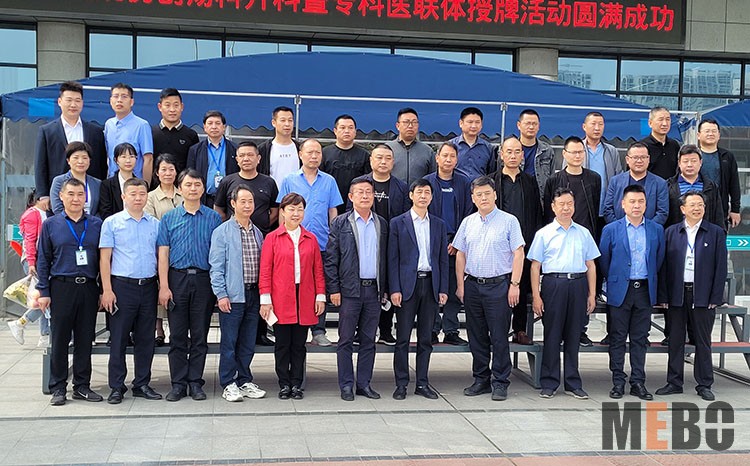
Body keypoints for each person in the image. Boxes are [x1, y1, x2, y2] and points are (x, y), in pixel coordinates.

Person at [454, 176, 525, 401]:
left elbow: (519, 253)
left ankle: (500, 382)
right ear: (473, 198)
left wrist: (514, 284)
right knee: (476, 336)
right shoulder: (468, 222)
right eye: (479, 194)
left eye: (487, 193)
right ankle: (481, 380)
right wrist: (460, 285)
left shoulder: (509, 221)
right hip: (473, 286)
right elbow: (460, 254)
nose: (483, 198)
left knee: (499, 336)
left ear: (495, 195)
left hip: (499, 286)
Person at [36, 178, 104, 406]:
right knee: (60, 339)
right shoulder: (51, 224)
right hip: (61, 286)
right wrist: (43, 291)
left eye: (80, 194)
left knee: (85, 338)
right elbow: (43, 259)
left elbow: (104, 259)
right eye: (71, 194)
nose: (76, 199)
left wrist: (103, 290)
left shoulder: (96, 224)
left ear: (86, 198)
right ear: (61, 197)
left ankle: (82, 386)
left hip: (88, 287)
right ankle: (58, 387)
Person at [157, 169, 222, 402]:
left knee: (199, 335)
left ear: (203, 188)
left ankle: (195, 382)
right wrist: (164, 286)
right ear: (180, 188)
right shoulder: (169, 218)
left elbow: (218, 254)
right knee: (177, 335)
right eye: (188, 184)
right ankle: (178, 384)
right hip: (177, 279)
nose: (193, 188)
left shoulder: (213, 218)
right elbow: (163, 255)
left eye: (197, 184)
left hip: (204, 280)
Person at [528, 188, 599, 400]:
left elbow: (591, 265)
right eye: (562, 204)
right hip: (554, 285)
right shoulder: (544, 234)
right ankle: (549, 382)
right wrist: (536, 296)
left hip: (578, 285)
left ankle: (573, 383)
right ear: (553, 207)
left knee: (574, 335)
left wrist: (592, 294)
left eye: (570, 203)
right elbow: (535, 267)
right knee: (552, 334)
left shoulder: (583, 233)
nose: (566, 208)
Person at [656, 191, 727, 401]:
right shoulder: (671, 232)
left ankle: (704, 384)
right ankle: (674, 382)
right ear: (682, 209)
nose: (697, 208)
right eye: (692, 205)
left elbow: (720, 267)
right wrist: (664, 295)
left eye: (700, 205)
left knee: (703, 341)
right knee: (675, 340)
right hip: (677, 293)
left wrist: (716, 297)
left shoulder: (715, 233)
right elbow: (663, 267)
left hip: (703, 295)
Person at [599, 184, 665, 401]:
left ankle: (638, 382)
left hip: (644, 289)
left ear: (646, 204)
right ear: (623, 204)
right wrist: (616, 280)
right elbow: (605, 261)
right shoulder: (611, 229)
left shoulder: (656, 229)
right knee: (617, 337)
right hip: (620, 290)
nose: (636, 206)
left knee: (640, 338)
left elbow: (659, 259)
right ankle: (618, 381)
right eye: (632, 202)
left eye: (641, 202)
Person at [99, 178, 162, 404]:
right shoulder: (112, 223)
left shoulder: (155, 224)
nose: (138, 198)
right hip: (121, 287)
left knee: (146, 339)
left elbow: (160, 256)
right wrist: (107, 290)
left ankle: (142, 383)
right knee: (119, 339)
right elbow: (104, 259)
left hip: (148, 286)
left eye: (142, 194)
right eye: (133, 194)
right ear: (123, 196)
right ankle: (117, 386)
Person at [325, 178, 388, 401]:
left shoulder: (381, 223)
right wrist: (334, 289)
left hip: (374, 291)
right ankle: (346, 385)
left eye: (369, 192)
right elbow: (331, 259)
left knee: (369, 340)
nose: (365, 196)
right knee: (345, 340)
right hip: (349, 291)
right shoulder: (340, 223)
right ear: (351, 197)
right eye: (360, 192)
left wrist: (385, 289)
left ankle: (364, 384)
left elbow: (386, 259)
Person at [277, 138, 343, 346]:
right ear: (300, 154)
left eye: (318, 153)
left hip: (322, 243)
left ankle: (318, 330)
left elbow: (333, 211)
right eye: (310, 152)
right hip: (294, 243)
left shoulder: (329, 181)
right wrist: (281, 236)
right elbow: (282, 210)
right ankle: (293, 327)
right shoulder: (289, 180)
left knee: (318, 286)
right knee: (294, 285)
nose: (314, 156)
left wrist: (334, 239)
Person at [259, 193, 326, 400]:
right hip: (281, 297)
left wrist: (320, 295)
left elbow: (318, 270)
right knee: (282, 344)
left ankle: (296, 383)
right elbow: (265, 270)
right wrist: (265, 299)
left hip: (304, 295)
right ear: (282, 212)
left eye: (300, 209)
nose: (296, 213)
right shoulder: (272, 238)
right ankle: (284, 383)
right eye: (291, 209)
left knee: (299, 344)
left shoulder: (310, 238)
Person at [389, 179, 449, 400]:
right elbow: (392, 259)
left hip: (430, 285)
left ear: (432, 197)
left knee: (425, 339)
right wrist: (394, 289)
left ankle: (422, 383)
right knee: (402, 339)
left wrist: (443, 288)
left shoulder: (439, 224)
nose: (423, 196)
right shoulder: (398, 223)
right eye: (419, 192)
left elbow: (442, 259)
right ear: (411, 195)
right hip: (407, 286)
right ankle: (401, 384)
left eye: (427, 192)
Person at [209, 185, 268, 402]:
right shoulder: (222, 232)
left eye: (250, 201)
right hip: (233, 296)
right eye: (242, 201)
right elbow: (216, 267)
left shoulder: (257, 232)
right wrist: (221, 294)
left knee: (247, 342)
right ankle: (228, 383)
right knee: (229, 343)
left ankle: (244, 380)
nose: (247, 205)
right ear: (233, 204)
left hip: (253, 295)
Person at [351, 144, 411, 345]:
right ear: (371, 161)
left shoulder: (401, 187)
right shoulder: (360, 184)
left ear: (393, 162)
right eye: (379, 157)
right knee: (364, 285)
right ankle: (361, 330)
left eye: (387, 158)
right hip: (365, 240)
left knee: (388, 283)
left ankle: (385, 330)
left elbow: (405, 217)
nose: (383, 162)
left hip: (390, 242)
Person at [493, 136, 543, 345]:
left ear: (522, 155)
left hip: (523, 243)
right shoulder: (492, 181)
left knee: (520, 287)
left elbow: (537, 213)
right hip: (498, 244)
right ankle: (497, 330)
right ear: (501, 154)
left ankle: (520, 329)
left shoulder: (530, 182)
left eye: (517, 151)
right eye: (509, 151)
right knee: (499, 289)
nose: (513, 156)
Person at [425, 142, 472, 346]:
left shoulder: (464, 183)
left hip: (456, 244)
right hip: (432, 243)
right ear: (437, 158)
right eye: (444, 156)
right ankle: (432, 328)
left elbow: (469, 215)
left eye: (452, 156)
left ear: (457, 159)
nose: (448, 160)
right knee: (433, 287)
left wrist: (457, 242)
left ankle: (451, 330)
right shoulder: (427, 182)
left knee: (454, 287)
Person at [35, 81, 107, 196]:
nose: (73, 105)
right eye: (69, 100)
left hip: (90, 194)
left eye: (77, 100)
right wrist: (43, 195)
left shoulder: (96, 131)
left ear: (82, 103)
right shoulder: (47, 131)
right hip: (58, 194)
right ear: (59, 102)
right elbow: (40, 166)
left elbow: (102, 165)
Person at [145, 154, 183, 347]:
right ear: (157, 173)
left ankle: (181, 330)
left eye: (171, 169)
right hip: (159, 249)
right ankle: (158, 329)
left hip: (182, 250)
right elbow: (152, 225)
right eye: (163, 169)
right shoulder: (150, 197)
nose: (168, 173)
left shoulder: (183, 194)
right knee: (160, 287)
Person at [7, 191, 51, 347]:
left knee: (44, 296)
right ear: (39, 198)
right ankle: (21, 323)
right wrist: (31, 262)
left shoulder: (45, 213)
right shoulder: (32, 214)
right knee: (46, 295)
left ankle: (44, 335)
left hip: (41, 260)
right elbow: (30, 241)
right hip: (35, 261)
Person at [214, 141, 279, 236]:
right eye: (242, 155)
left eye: (250, 155)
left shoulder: (269, 182)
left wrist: (263, 226)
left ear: (258, 158)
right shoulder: (227, 181)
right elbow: (218, 209)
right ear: (237, 159)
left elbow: (275, 211)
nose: (246, 159)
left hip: (261, 236)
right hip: (233, 236)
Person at [565, 112, 623, 215]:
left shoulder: (611, 151)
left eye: (600, 124)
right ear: (584, 126)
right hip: (580, 209)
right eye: (593, 124)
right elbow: (565, 178)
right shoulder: (575, 150)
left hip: (606, 209)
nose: (597, 128)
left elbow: (619, 180)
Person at [602, 142, 669, 226]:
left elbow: (662, 212)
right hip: (619, 231)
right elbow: (608, 209)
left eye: (643, 157)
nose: (639, 161)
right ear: (627, 159)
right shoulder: (615, 181)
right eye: (635, 157)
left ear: (648, 159)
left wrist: (645, 229)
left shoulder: (660, 183)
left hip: (649, 230)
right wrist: (620, 228)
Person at [187, 110, 239, 208]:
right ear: (204, 127)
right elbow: (190, 174)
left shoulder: (235, 149)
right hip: (204, 199)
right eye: (210, 123)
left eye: (218, 123)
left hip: (229, 200)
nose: (214, 127)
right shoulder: (195, 150)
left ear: (224, 127)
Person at [321, 114, 371, 214]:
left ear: (355, 132)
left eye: (350, 128)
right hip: (330, 205)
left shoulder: (364, 155)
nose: (347, 131)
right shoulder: (325, 153)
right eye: (342, 128)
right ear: (335, 131)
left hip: (356, 205)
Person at [697, 118, 741, 229]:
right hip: (696, 207)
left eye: (714, 131)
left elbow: (734, 184)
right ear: (698, 135)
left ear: (719, 135)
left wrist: (735, 210)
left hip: (720, 208)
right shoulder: (692, 155)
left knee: (719, 237)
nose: (710, 134)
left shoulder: (727, 156)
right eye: (707, 131)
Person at [104, 83, 154, 183]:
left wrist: (145, 185)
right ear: (110, 101)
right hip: (112, 182)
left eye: (124, 96)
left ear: (131, 102)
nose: (119, 100)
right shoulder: (109, 124)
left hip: (134, 183)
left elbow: (148, 159)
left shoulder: (142, 125)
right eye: (116, 96)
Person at [666, 145, 724, 228]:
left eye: (694, 161)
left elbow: (718, 216)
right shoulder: (668, 186)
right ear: (679, 163)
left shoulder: (711, 187)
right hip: (676, 234)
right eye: (685, 161)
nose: (689, 165)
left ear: (700, 162)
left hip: (705, 233)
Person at [151, 87, 199, 177]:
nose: (172, 109)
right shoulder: (150, 133)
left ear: (182, 107)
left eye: (176, 105)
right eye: (167, 105)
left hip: (183, 184)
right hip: (155, 184)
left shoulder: (191, 135)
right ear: (160, 107)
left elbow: (193, 166)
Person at [49, 141, 102, 217]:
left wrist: (91, 221)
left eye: (84, 158)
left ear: (89, 160)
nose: (80, 161)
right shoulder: (59, 181)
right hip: (66, 222)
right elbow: (57, 208)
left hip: (91, 223)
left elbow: (100, 209)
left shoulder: (97, 183)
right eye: (76, 158)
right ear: (68, 160)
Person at [387, 108, 436, 185]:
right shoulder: (387, 149)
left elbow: (433, 178)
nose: (410, 126)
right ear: (398, 126)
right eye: (406, 122)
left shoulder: (427, 151)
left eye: (414, 122)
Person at [258, 106, 300, 187]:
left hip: (296, 194)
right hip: (272, 193)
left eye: (290, 120)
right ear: (273, 123)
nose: (287, 124)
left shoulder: (301, 149)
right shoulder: (263, 149)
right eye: (283, 120)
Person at [450, 107, 497, 180]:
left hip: (480, 186)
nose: (474, 126)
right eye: (470, 122)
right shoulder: (450, 146)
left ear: (481, 125)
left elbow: (491, 173)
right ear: (461, 123)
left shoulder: (488, 148)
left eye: (477, 122)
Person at [516, 108, 555, 196]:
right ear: (519, 125)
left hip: (541, 198)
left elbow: (552, 180)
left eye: (534, 124)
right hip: (516, 197)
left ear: (539, 126)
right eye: (527, 123)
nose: (531, 127)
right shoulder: (509, 149)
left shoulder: (547, 150)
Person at [639, 107, 680, 180]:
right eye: (660, 119)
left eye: (668, 119)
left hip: (671, 186)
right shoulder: (642, 146)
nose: (665, 124)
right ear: (650, 123)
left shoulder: (674, 145)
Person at [99, 142, 138, 220]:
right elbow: (105, 212)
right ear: (116, 160)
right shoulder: (107, 185)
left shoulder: (141, 184)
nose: (128, 160)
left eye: (132, 156)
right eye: (123, 157)